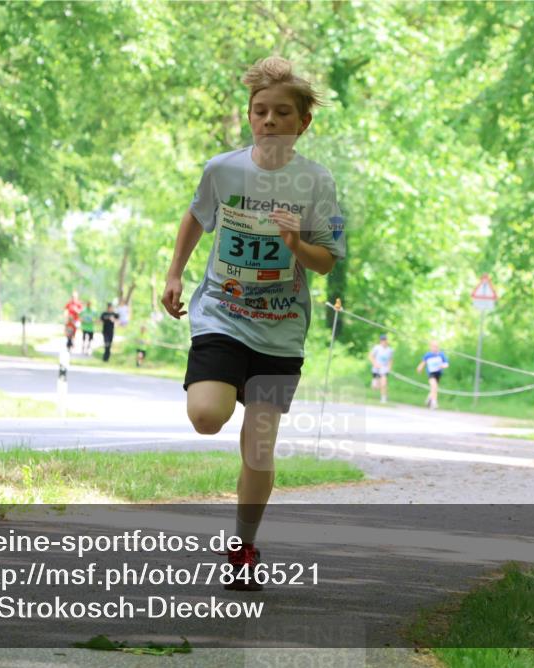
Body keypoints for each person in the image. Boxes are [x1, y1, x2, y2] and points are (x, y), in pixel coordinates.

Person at [160, 57, 344, 591]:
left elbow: (326, 260)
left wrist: (295, 244)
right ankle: (224, 385)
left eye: (281, 112)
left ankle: (242, 549)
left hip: (281, 327)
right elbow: (197, 214)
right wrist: (175, 273)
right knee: (206, 416)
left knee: (259, 448)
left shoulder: (317, 182)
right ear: (249, 116)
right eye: (259, 111)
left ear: (302, 122)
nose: (268, 120)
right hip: (222, 311)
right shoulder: (223, 169)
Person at [416, 340, 448, 409]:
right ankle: (434, 402)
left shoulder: (441, 354)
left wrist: (443, 366)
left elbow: (446, 364)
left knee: (434, 388)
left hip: (438, 374)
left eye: (436, 346)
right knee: (434, 385)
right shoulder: (428, 355)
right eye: (433, 346)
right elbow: (423, 362)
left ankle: (428, 400)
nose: (435, 348)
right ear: (430, 347)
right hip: (431, 374)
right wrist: (420, 367)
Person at [369, 334, 394, 403]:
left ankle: (383, 398)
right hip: (376, 369)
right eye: (382, 340)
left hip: (384, 369)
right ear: (380, 341)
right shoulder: (377, 348)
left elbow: (390, 360)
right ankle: (376, 386)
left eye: (385, 340)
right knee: (375, 386)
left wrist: (389, 367)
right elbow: (371, 356)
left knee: (384, 383)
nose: (384, 341)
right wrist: (375, 364)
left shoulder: (390, 350)